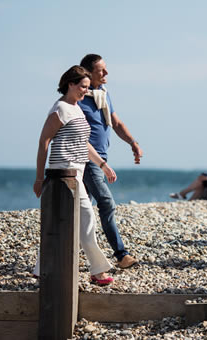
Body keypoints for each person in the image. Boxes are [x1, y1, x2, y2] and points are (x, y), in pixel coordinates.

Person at [33, 65, 115, 285]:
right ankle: (98, 272)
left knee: (60, 223)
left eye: (88, 88)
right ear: (70, 84)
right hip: (62, 174)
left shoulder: (76, 108)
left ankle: (40, 270)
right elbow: (44, 142)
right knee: (86, 220)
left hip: (76, 172)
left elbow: (83, 143)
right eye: (82, 87)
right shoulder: (60, 109)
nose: (85, 92)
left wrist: (103, 165)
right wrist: (40, 178)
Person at [78, 54, 143, 269]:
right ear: (88, 72)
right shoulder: (78, 99)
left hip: (101, 158)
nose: (106, 73)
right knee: (106, 203)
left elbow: (116, 123)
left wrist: (132, 142)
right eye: (101, 70)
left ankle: (64, 255)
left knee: (79, 211)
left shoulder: (103, 96)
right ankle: (121, 254)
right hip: (87, 161)